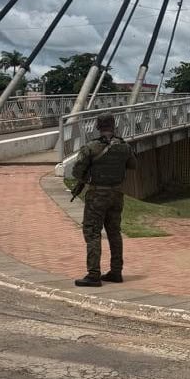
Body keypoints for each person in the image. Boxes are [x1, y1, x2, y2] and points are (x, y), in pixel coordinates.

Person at [70, 113, 137, 287]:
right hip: (116, 195)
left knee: (93, 232)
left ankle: (93, 274)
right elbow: (133, 165)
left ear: (98, 127)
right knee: (114, 232)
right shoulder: (124, 146)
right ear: (114, 126)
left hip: (97, 196)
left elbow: (76, 171)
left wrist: (88, 175)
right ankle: (116, 271)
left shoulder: (91, 147)